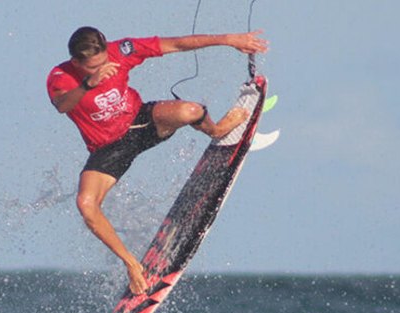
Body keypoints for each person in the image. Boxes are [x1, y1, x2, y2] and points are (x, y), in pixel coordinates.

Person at [48, 27, 269, 294]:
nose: (103, 67)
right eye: (94, 66)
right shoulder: (61, 76)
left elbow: (176, 44)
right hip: (109, 149)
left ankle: (217, 130)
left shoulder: (122, 50)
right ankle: (132, 265)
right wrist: (88, 84)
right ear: (76, 63)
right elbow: (62, 105)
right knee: (86, 205)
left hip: (143, 122)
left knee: (191, 110)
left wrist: (228, 40)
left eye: (104, 61)